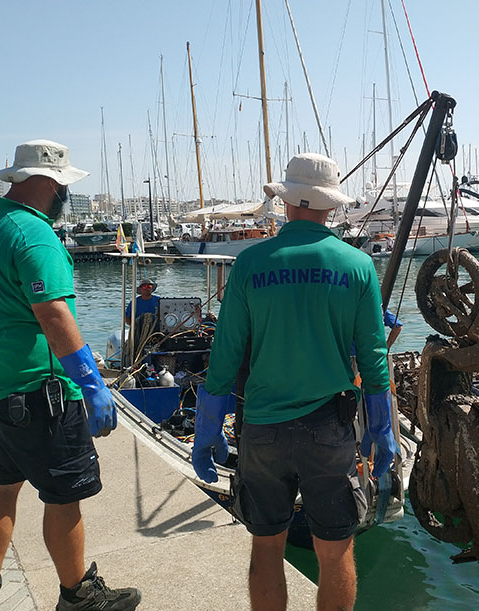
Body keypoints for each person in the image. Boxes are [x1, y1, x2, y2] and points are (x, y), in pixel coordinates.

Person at [192, 153, 396, 611]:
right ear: (331, 206)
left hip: (262, 428)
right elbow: (374, 357)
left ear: (286, 202)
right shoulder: (358, 266)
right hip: (330, 427)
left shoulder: (249, 263)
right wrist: (381, 427)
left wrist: (208, 429)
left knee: (267, 546)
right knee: (336, 547)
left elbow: (224, 357)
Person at [0, 140, 141, 611]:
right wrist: (92, 384)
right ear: (47, 184)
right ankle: (77, 595)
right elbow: (53, 315)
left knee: (2, 485)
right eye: (62, 186)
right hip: (37, 390)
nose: (63, 196)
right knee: (63, 494)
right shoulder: (33, 235)